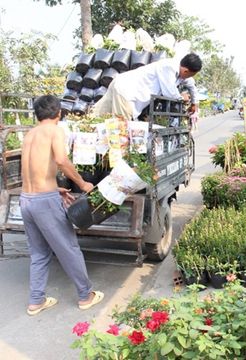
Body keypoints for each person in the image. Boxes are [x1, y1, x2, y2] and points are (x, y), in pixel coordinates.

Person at [20, 95, 104, 315]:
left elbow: (32, 168)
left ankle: (36, 300)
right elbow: (61, 160)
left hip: (27, 198)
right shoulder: (55, 131)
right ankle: (86, 295)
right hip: (43, 203)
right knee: (69, 248)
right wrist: (82, 183)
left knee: (39, 253)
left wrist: (55, 188)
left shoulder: (29, 134)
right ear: (58, 113)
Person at [92, 53, 202, 121]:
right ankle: (116, 157)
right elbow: (170, 92)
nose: (188, 78)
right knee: (121, 128)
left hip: (120, 83)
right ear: (186, 70)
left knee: (98, 116)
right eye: (190, 75)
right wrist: (182, 98)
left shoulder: (181, 72)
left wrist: (194, 103)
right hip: (126, 92)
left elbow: (191, 85)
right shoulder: (168, 67)